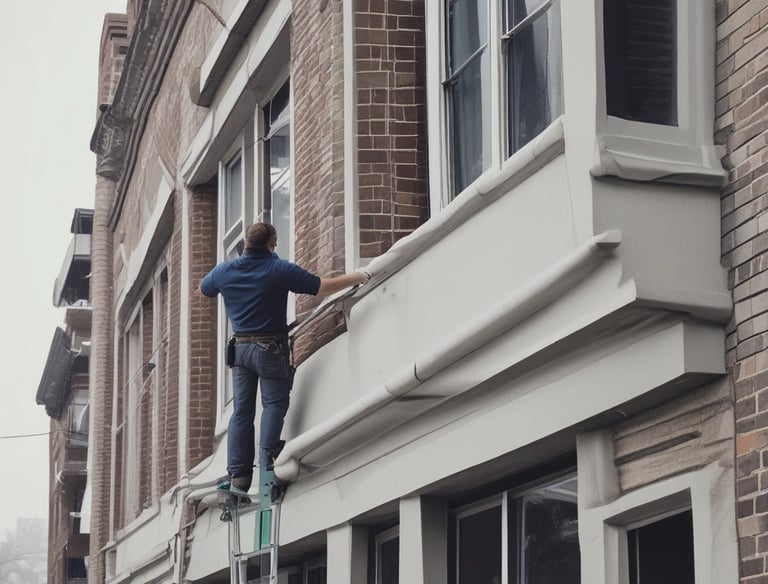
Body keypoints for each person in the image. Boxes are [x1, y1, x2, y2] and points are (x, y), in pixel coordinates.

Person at [200, 222, 369, 492]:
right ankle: (268, 465)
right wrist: (359, 276)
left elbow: (205, 289)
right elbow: (320, 286)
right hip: (269, 347)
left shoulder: (225, 271)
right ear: (272, 243)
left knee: (242, 411)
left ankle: (238, 475)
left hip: (241, 350)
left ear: (246, 243)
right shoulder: (278, 269)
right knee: (274, 404)